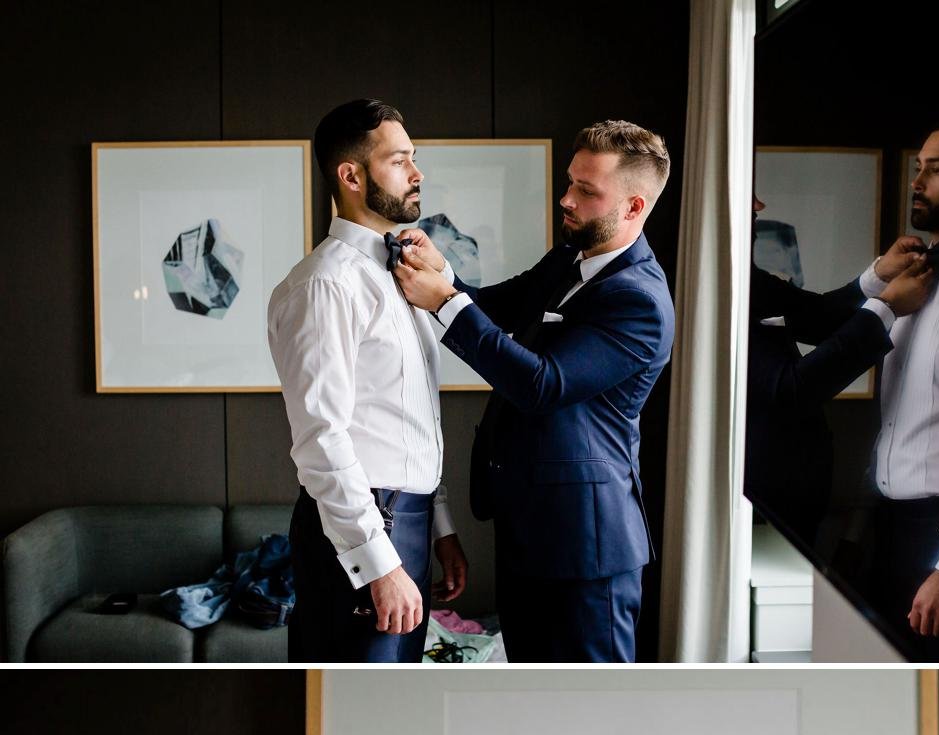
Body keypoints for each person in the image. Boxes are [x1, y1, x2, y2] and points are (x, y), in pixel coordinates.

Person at [390, 118, 672, 668]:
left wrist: (445, 301)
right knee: (526, 695)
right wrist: (441, 268)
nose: (566, 199)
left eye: (587, 192)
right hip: (529, 531)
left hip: (590, 553)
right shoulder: (567, 260)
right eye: (570, 182)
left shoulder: (641, 301)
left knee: (589, 709)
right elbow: (490, 304)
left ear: (634, 207)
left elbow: (543, 384)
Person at [753, 131, 939, 660]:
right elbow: (817, 330)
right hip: (888, 532)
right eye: (919, 166)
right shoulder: (913, 284)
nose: (918, 180)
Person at [269, 101, 467, 659]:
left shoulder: (401, 277)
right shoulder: (324, 285)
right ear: (351, 176)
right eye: (400, 160)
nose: (417, 173)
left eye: (414, 159)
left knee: (396, 713)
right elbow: (320, 438)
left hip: (409, 521)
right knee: (353, 716)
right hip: (361, 533)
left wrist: (438, 524)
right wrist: (378, 564)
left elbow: (408, 417)